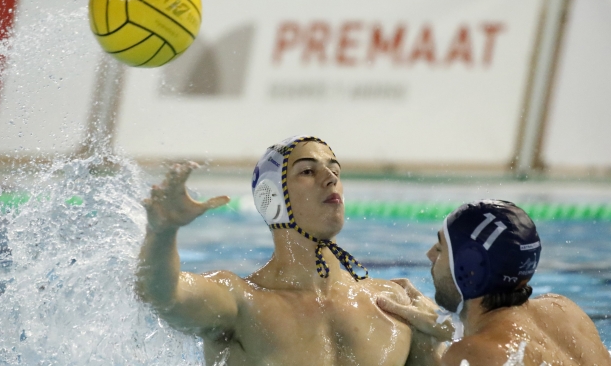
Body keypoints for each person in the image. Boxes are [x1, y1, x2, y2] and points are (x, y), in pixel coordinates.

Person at [135, 135, 443, 365]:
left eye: (334, 168)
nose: (330, 178)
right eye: (308, 171)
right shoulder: (241, 302)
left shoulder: (394, 305)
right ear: (272, 197)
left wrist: (433, 347)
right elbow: (161, 295)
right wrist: (163, 232)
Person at [377, 200, 611, 366]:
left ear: (470, 267)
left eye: (440, 249)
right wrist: (445, 326)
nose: (430, 255)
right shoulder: (566, 312)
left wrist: (426, 349)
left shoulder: (473, 355)